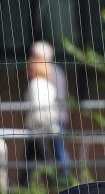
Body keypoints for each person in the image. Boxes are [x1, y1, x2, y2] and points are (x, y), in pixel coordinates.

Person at [20, 56, 68, 188]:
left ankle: (50, 188)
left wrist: (30, 123)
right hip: (49, 126)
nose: (27, 71)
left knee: (40, 160)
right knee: (37, 159)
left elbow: (37, 109)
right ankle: (29, 188)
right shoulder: (48, 85)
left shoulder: (35, 84)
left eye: (30, 68)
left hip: (38, 128)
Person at [28, 41, 72, 185]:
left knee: (56, 152)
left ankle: (63, 181)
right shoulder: (55, 72)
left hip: (48, 121)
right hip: (54, 118)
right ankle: (60, 182)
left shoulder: (46, 75)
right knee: (54, 153)